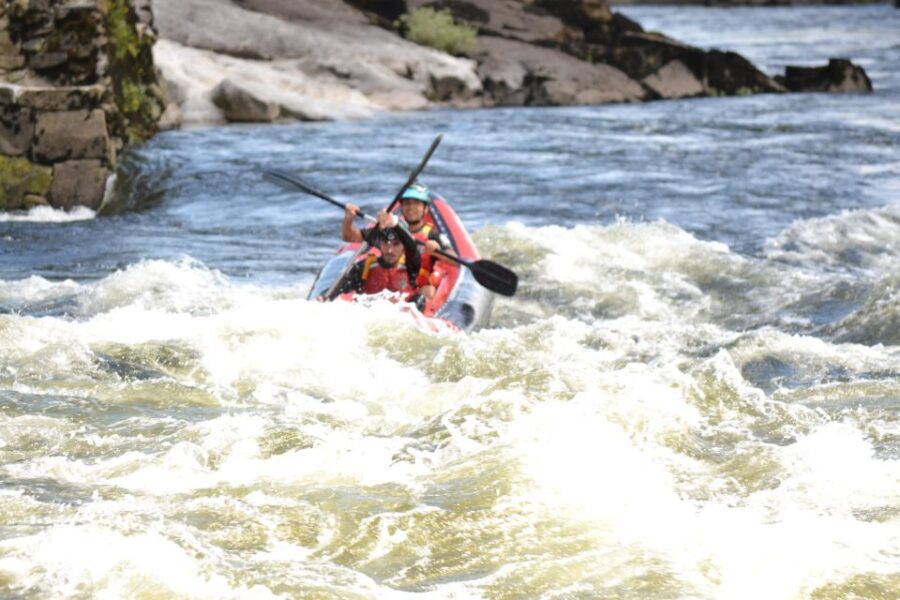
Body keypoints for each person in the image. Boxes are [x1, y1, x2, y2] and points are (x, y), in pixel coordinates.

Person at [342, 183, 454, 301]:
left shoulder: (433, 235)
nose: (411, 207)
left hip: (417, 285)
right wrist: (348, 219)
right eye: (407, 203)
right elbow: (351, 237)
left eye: (416, 203)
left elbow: (453, 258)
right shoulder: (387, 231)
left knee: (428, 291)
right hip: (392, 282)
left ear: (425, 208)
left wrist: (437, 252)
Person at [337, 222, 424, 305]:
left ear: (404, 247)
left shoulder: (411, 266)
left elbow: (413, 249)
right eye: (386, 243)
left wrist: (394, 222)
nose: (390, 250)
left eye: (396, 244)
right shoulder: (366, 267)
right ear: (380, 244)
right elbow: (342, 292)